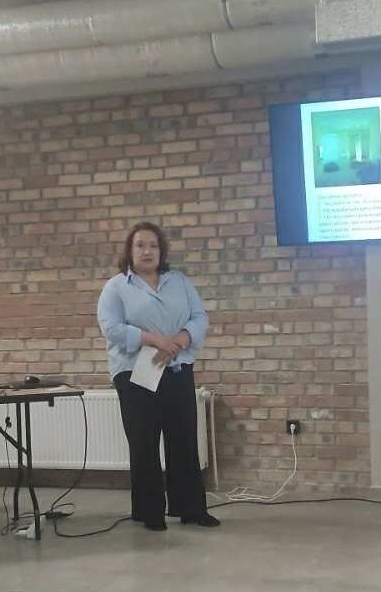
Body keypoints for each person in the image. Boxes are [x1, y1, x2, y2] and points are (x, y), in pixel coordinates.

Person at [97, 222, 219, 531]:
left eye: (153, 245)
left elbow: (199, 317)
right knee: (144, 443)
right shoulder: (116, 287)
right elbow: (111, 328)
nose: (147, 251)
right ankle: (149, 512)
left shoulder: (179, 281)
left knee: (184, 440)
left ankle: (191, 509)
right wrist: (154, 340)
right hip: (135, 374)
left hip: (177, 368)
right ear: (130, 251)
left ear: (161, 250)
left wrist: (178, 341)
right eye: (140, 245)